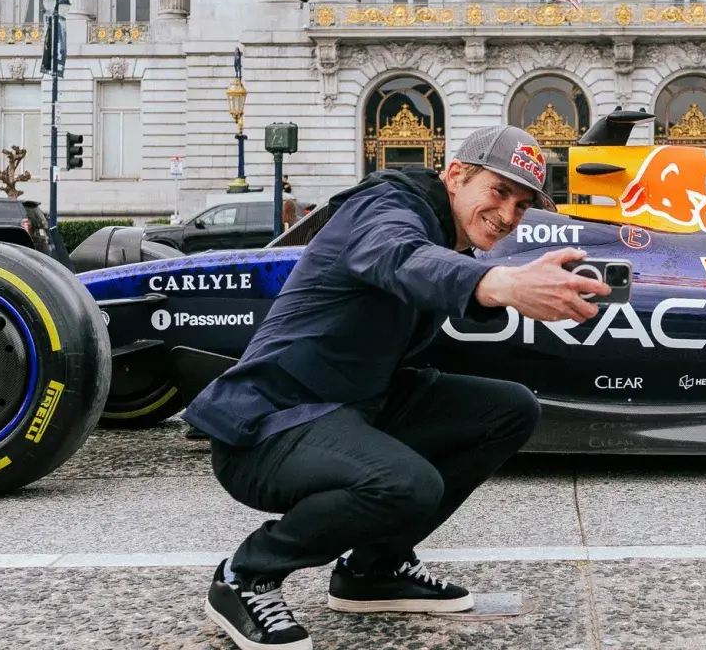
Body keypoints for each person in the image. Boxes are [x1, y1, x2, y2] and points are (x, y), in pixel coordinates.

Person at [187, 125, 604, 650]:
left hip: (352, 408)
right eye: (498, 192)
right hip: (270, 426)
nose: (507, 215)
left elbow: (427, 284)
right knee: (407, 484)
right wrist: (503, 284)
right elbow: (399, 257)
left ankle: (373, 570)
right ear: (455, 174)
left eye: (522, 205)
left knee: (509, 409)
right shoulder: (385, 208)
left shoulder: (444, 235)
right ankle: (244, 577)